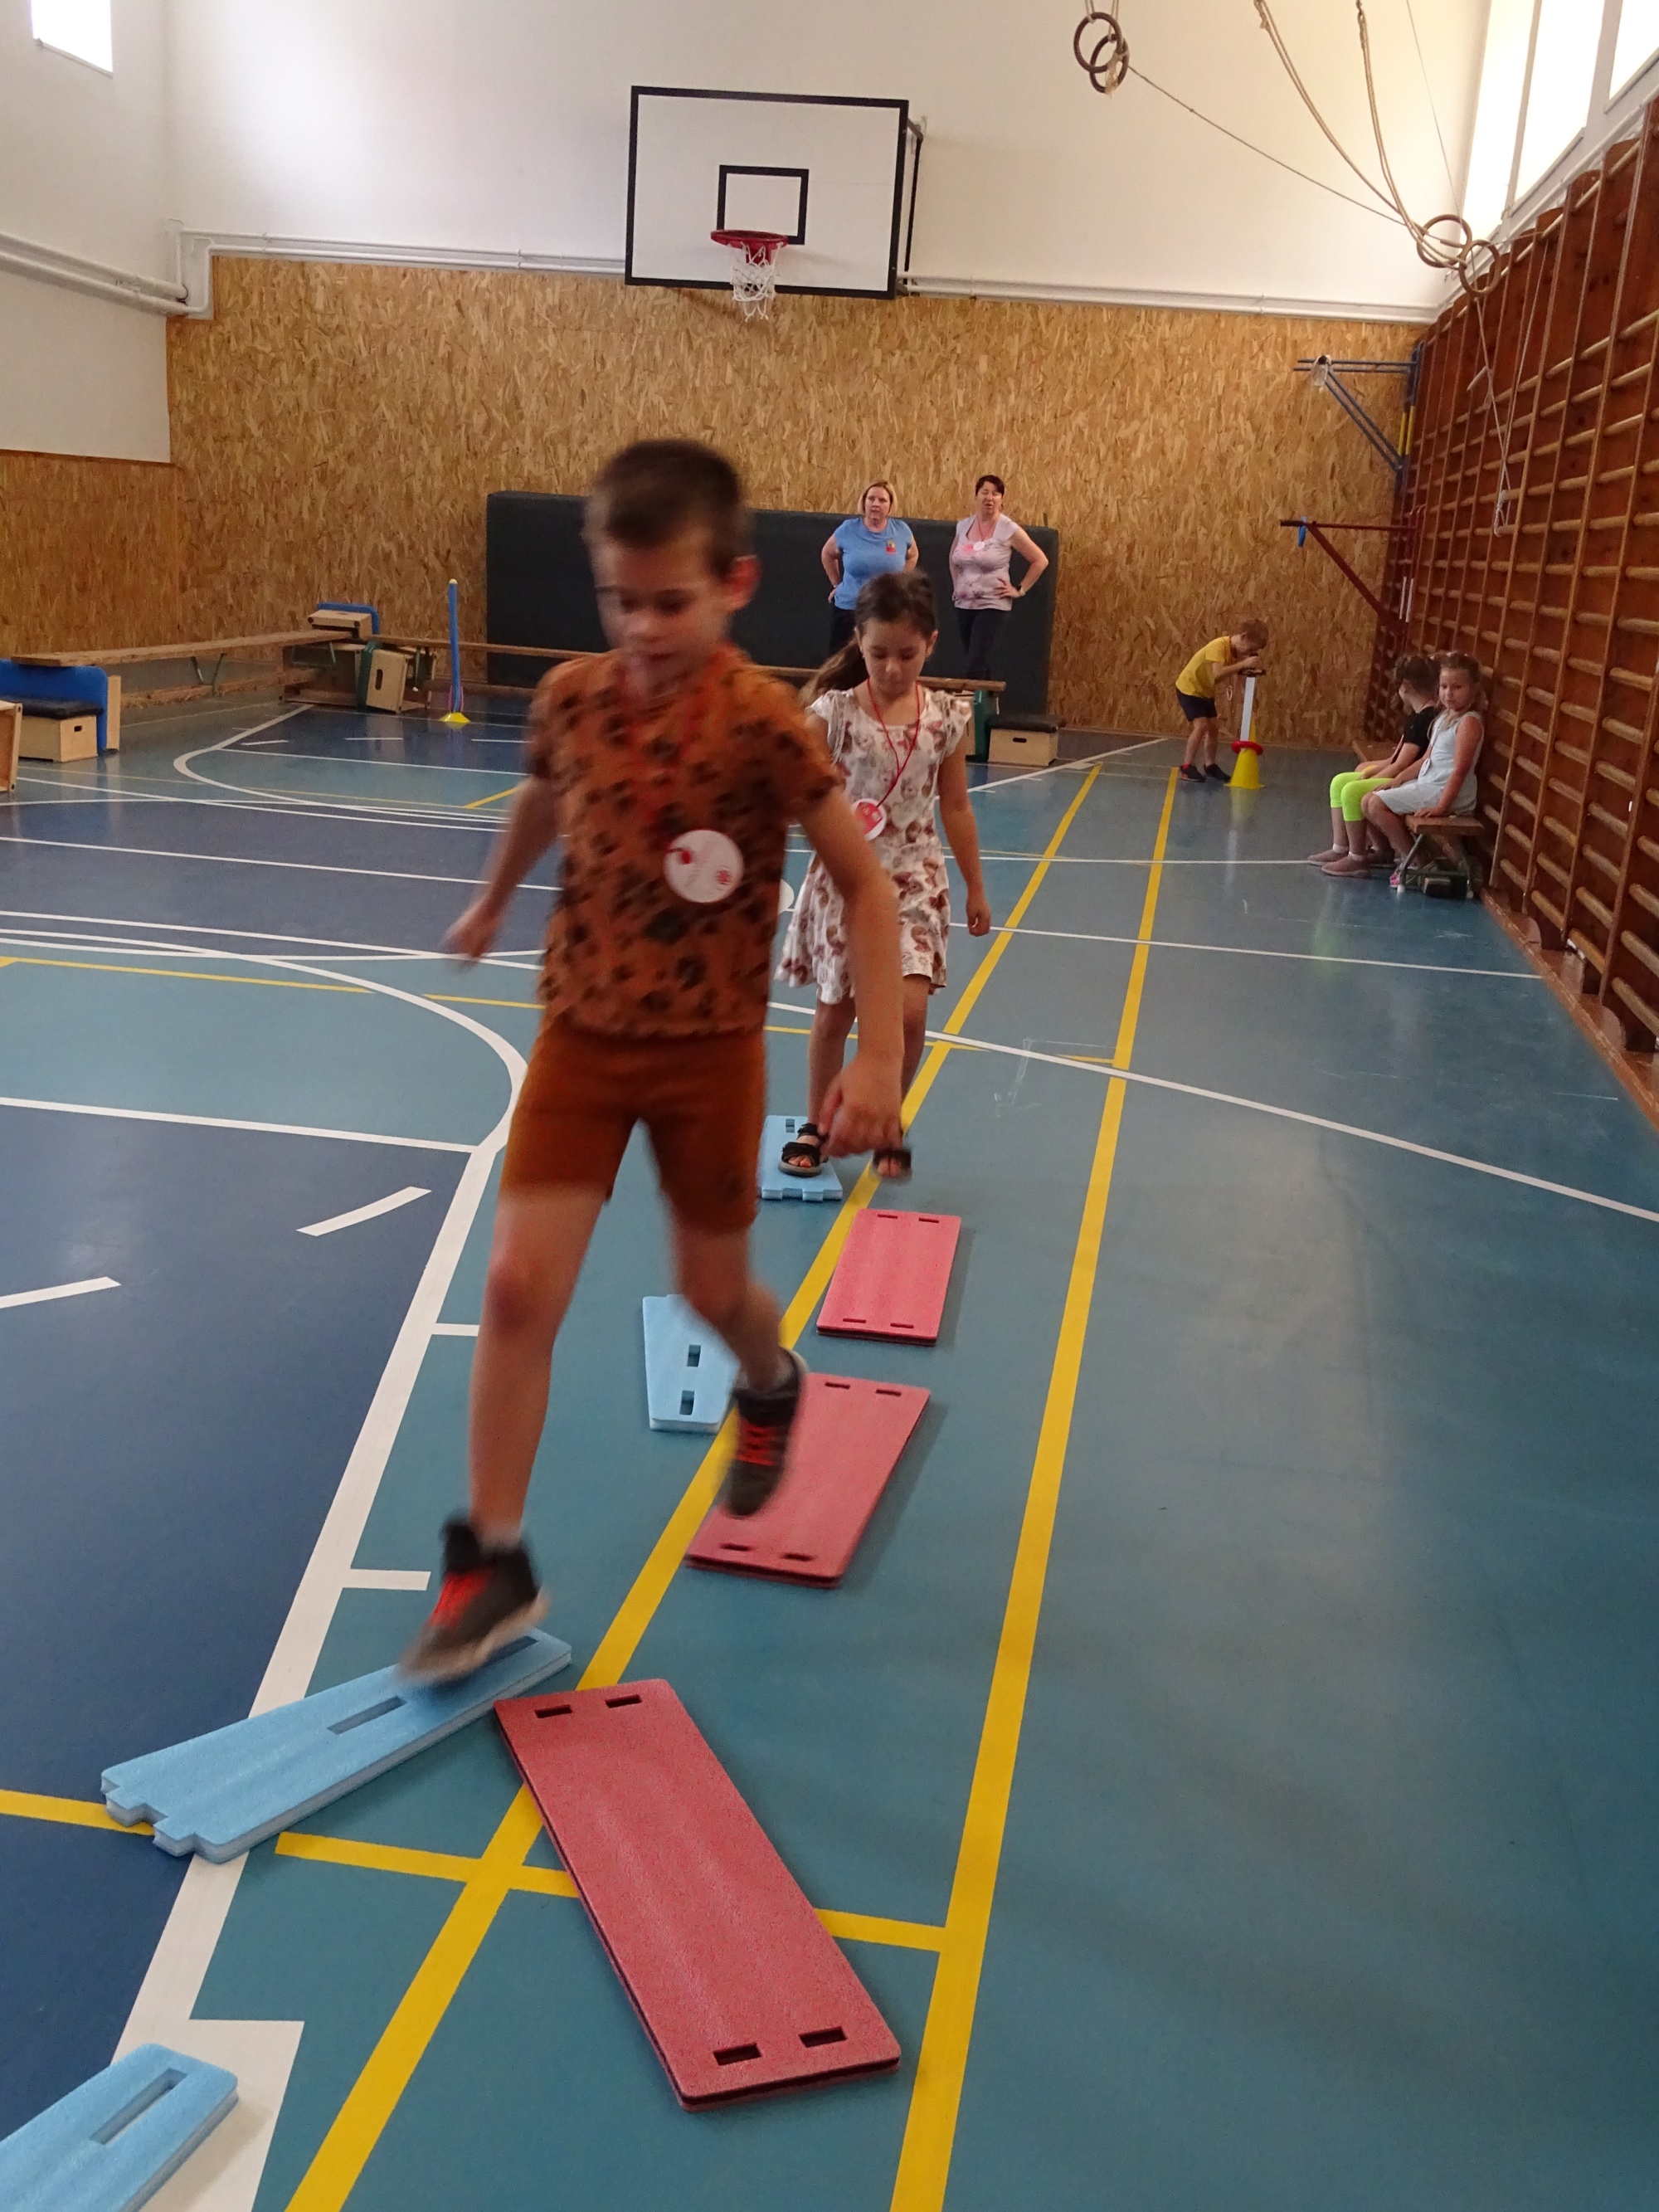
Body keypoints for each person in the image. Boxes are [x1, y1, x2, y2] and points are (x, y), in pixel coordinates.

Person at [402, 439, 904, 1680]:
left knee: (711, 1291)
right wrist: (493, 897)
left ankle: (769, 1381)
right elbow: (544, 794)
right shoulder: (572, 698)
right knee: (516, 1286)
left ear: (735, 582)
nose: (639, 627)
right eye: (617, 599)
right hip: (581, 1031)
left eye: (668, 601)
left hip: (707, 1053)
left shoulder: (764, 723)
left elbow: (865, 886)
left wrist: (879, 1057)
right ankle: (493, 1555)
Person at [776, 570, 992, 1182]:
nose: (892, 668)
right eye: (878, 654)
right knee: (834, 1015)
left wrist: (976, 887)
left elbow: (956, 806)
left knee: (910, 1015)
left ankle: (886, 1119)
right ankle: (817, 1125)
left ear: (931, 644)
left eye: (906, 653)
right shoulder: (834, 714)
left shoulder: (947, 718)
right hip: (846, 877)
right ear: (858, 641)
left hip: (916, 877)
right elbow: (793, 792)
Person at [1358, 651, 1485, 884]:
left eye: (1457, 687)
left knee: (1375, 804)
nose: (1449, 693)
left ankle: (1419, 862)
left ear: (1473, 688)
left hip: (1447, 793)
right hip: (1430, 785)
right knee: (1368, 800)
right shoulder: (1443, 718)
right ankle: (1415, 859)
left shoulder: (1469, 722)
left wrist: (1441, 807)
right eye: (1444, 687)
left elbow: (1460, 770)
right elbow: (1426, 758)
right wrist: (1397, 780)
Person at [1311, 653, 1440, 873]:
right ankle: (1342, 847)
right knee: (1340, 781)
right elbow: (1394, 758)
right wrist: (1371, 769)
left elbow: (1402, 765)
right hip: (1401, 772)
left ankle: (1357, 857)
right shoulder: (1416, 716)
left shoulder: (1425, 718)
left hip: (1409, 778)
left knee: (1352, 791)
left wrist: (1376, 776)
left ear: (1406, 686)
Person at [949, 475, 1049, 679]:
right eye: (984, 492)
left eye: (995, 494)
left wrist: (1020, 589)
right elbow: (953, 558)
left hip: (992, 604)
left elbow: (1040, 560)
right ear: (976, 496)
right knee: (978, 662)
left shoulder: (1008, 528)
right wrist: (956, 584)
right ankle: (988, 699)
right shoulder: (963, 526)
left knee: (974, 664)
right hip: (964, 604)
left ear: (1001, 500)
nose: (989, 498)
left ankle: (970, 701)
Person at [822, 480, 918, 653]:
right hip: (849, 610)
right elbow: (828, 554)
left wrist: (900, 582)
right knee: (841, 664)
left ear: (890, 506)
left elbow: (912, 555)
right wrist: (837, 584)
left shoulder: (901, 530)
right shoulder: (848, 529)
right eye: (871, 499)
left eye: (882, 500)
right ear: (864, 502)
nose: (876, 504)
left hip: (885, 611)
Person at [1175, 621, 1267, 782]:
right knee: (1201, 726)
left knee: (1213, 728)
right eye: (1250, 649)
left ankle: (1210, 765)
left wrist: (1244, 694)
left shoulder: (1236, 652)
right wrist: (1244, 664)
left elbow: (1238, 673)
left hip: (1205, 691)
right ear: (1243, 637)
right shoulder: (1218, 646)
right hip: (1189, 688)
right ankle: (1187, 767)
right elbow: (1218, 673)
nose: (1250, 653)